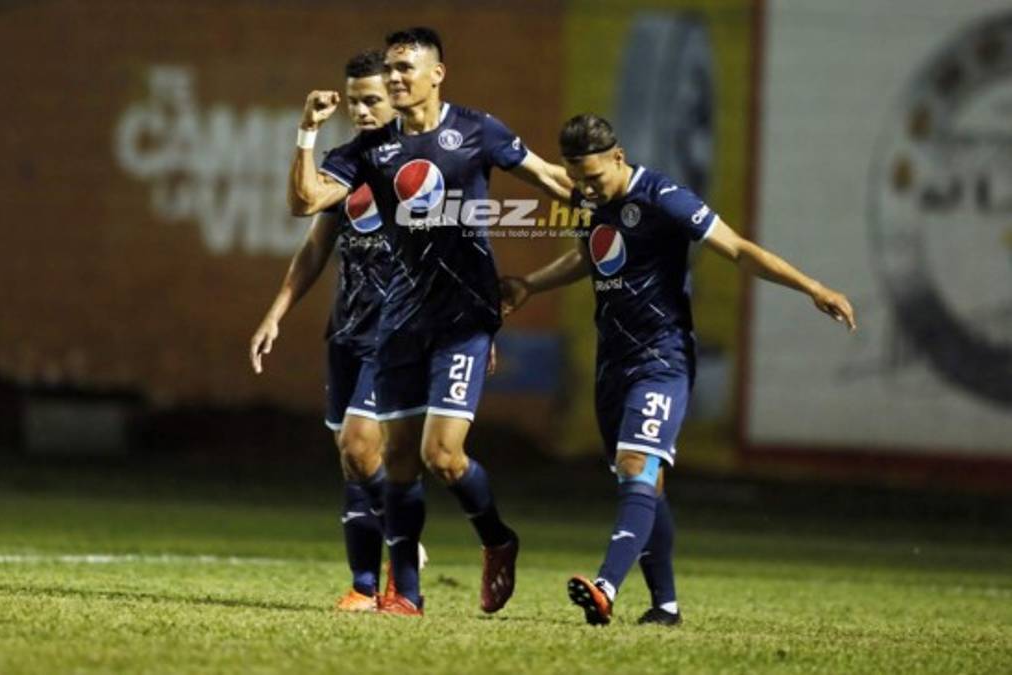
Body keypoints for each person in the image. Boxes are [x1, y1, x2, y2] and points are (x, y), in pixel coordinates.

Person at [500, 113, 856, 626]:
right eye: (576, 180)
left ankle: (605, 586)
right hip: (612, 364)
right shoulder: (586, 199)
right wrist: (530, 283)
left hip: (661, 358)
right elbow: (590, 255)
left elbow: (737, 249)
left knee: (636, 467)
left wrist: (813, 288)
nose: (586, 189)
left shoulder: (662, 196)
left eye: (594, 178)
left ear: (618, 158)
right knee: (644, 483)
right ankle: (665, 606)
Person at [288, 27, 573, 616]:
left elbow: (550, 180)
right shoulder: (371, 149)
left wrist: (617, 197)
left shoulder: (476, 130)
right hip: (401, 321)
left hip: (464, 320)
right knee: (396, 461)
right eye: (389, 68)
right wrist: (308, 132)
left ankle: (497, 538)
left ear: (437, 74)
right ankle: (407, 597)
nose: (394, 77)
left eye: (405, 68)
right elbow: (305, 201)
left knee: (443, 456)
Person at [250, 50, 400, 612]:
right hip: (348, 330)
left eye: (373, 100)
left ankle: (402, 541)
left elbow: (462, 249)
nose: (361, 110)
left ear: (399, 98)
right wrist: (276, 313)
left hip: (402, 331)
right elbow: (310, 229)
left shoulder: (425, 163)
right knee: (352, 456)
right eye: (354, 100)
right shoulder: (348, 162)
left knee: (359, 444)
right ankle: (365, 587)